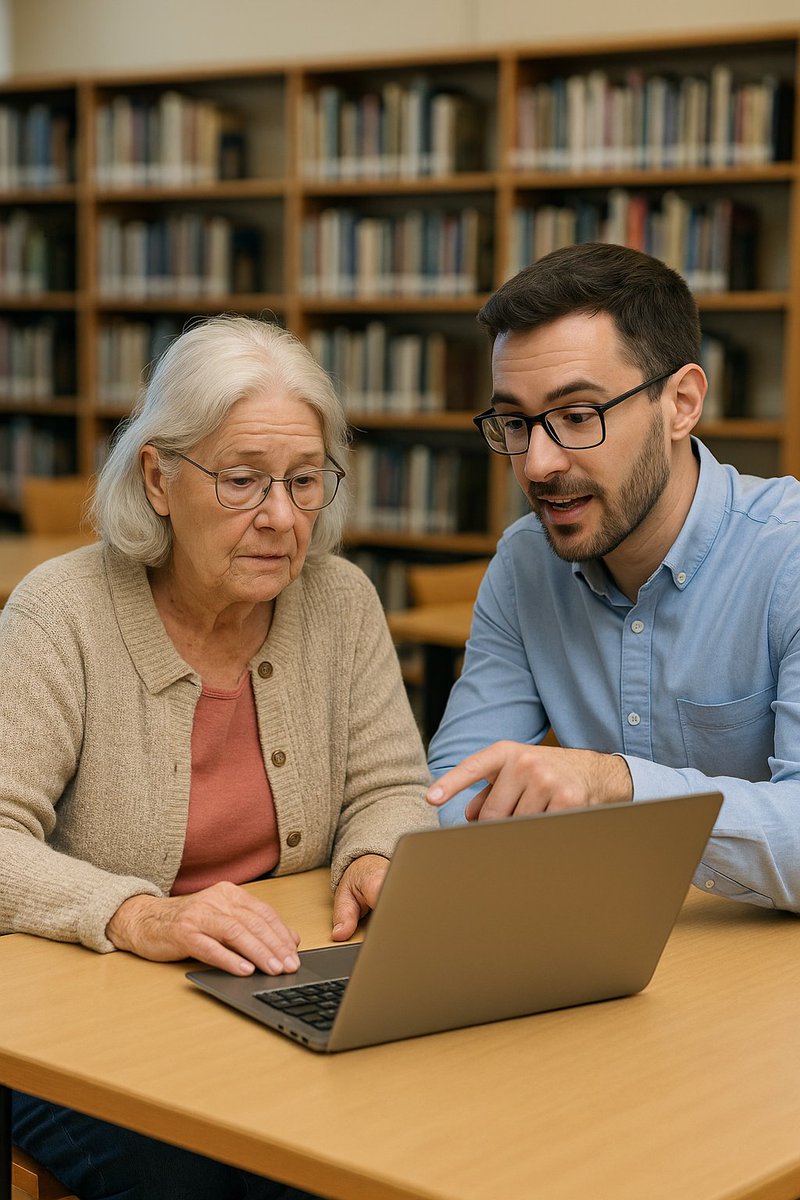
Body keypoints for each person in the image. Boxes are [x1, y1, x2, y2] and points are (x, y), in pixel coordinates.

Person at [1, 315, 436, 1200]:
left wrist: (378, 856)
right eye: (243, 481)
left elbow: (391, 787)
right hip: (83, 1032)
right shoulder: (61, 613)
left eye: (305, 481)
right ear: (159, 477)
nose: (282, 518)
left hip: (276, 998)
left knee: (416, 1144)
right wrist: (135, 914)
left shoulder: (340, 601)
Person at [426, 241, 800, 913]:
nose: (537, 464)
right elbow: (450, 794)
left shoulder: (789, 556)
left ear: (681, 403)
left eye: (577, 416)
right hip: (603, 951)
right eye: (515, 422)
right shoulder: (523, 565)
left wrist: (619, 787)